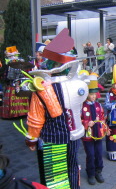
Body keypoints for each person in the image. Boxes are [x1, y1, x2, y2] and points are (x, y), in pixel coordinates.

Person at [25, 29, 88, 189]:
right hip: (74, 135)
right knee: (73, 168)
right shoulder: (80, 83)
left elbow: (36, 118)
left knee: (55, 177)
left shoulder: (42, 88)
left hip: (52, 137)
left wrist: (31, 139)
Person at [81, 75, 108, 185]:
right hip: (88, 136)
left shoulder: (99, 105)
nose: (93, 97)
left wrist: (105, 127)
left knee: (98, 153)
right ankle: (91, 174)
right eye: (91, 94)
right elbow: (80, 120)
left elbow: (102, 118)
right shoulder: (82, 106)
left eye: (94, 94)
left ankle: (98, 171)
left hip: (98, 135)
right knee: (90, 154)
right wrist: (87, 123)